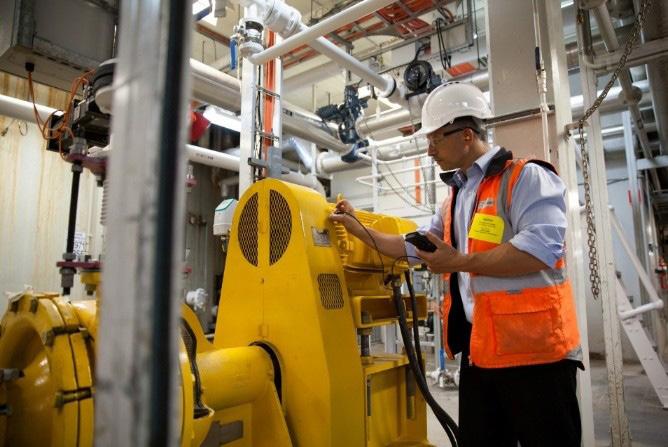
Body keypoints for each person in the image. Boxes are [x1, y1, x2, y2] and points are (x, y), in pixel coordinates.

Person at [330, 82, 582, 447]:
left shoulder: (526, 178)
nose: (429, 150)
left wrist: (459, 261)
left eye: (435, 139)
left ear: (466, 135)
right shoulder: (456, 197)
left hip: (537, 356)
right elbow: (413, 247)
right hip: (481, 353)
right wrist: (359, 230)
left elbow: (540, 249)